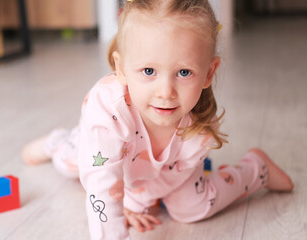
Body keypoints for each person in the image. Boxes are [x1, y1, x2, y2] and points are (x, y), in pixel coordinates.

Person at [22, 0, 294, 239]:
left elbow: (174, 177)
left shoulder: (199, 128)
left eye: (184, 72)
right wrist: (127, 203)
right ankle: (56, 142)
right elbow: (102, 184)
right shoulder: (108, 108)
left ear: (209, 73)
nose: (166, 92)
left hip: (166, 173)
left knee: (194, 208)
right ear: (121, 68)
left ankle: (258, 169)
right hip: (105, 152)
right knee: (72, 163)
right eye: (149, 70)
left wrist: (139, 199)